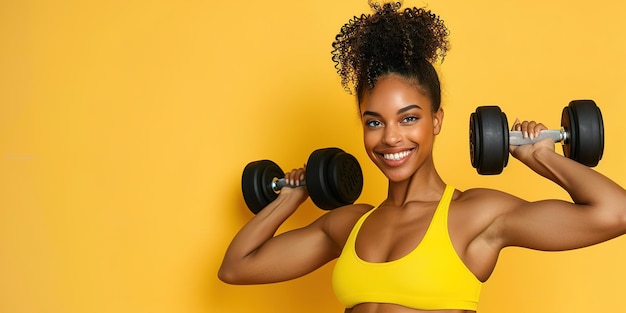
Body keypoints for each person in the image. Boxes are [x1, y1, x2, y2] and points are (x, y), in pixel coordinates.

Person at [218, 1, 626, 312]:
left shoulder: (477, 215)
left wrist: (541, 157)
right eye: (374, 122)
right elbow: (236, 267)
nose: (391, 138)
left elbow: (616, 213)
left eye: (408, 118)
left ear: (436, 120)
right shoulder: (350, 224)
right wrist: (291, 196)